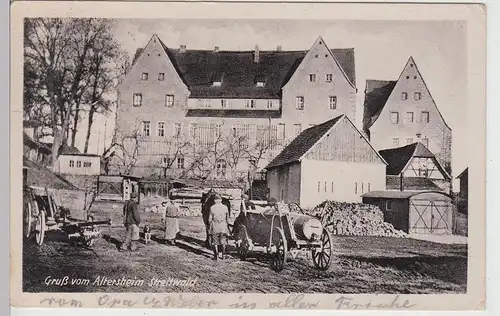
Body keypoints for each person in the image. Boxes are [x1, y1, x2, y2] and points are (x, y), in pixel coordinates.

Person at [209, 194, 230, 260]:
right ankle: (223, 255)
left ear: (214, 200)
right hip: (223, 226)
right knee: (223, 241)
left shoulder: (212, 207)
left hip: (215, 226)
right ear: (221, 200)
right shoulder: (225, 207)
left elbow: (209, 219)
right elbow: (227, 218)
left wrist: (210, 225)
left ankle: (216, 255)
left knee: (215, 241)